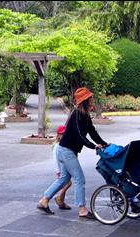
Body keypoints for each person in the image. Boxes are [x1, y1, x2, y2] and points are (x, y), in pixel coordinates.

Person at [36, 87, 108, 219]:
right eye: (90, 98)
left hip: (68, 151)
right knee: (80, 178)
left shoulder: (85, 115)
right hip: (66, 151)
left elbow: (92, 132)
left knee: (64, 179)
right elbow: (79, 135)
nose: (92, 99)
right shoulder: (76, 114)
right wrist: (94, 147)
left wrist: (104, 144)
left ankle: (44, 201)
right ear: (85, 100)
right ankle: (82, 209)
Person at [53, 125, 72, 210]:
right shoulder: (57, 146)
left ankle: (61, 202)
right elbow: (55, 159)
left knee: (65, 183)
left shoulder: (64, 144)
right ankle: (59, 198)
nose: (63, 136)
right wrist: (58, 171)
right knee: (67, 183)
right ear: (58, 135)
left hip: (65, 167)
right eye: (62, 134)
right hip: (60, 168)